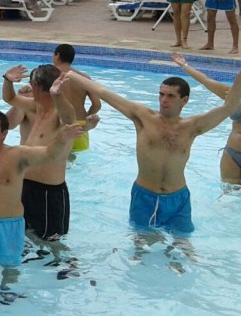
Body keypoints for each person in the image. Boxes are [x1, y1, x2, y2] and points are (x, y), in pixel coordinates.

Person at [67, 64, 241, 234]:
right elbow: (103, 92)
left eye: (171, 96)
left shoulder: (193, 126)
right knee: (142, 248)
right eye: (161, 94)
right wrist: (70, 74)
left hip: (179, 199)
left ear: (185, 100)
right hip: (145, 198)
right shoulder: (143, 117)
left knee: (183, 251)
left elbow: (228, 107)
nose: (163, 100)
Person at [0, 110, 82, 287]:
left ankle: (8, 289)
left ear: (4, 134)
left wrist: (62, 138)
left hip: (5, 226)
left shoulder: (17, 156)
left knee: (9, 265)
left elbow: (48, 154)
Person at [2, 64, 96, 244]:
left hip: (48, 191)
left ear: (35, 85)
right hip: (25, 186)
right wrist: (7, 80)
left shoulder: (59, 113)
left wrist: (57, 94)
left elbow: (69, 117)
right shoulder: (35, 107)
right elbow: (10, 97)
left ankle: (67, 269)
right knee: (26, 236)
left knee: (52, 243)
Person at [171, 53, 241, 184]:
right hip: (232, 155)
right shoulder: (233, 95)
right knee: (228, 199)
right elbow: (205, 80)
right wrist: (184, 65)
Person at [51, 44, 101, 152]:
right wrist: (85, 118)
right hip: (80, 127)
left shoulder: (49, 75)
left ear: (57, 55)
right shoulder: (84, 78)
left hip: (57, 126)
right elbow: (97, 104)